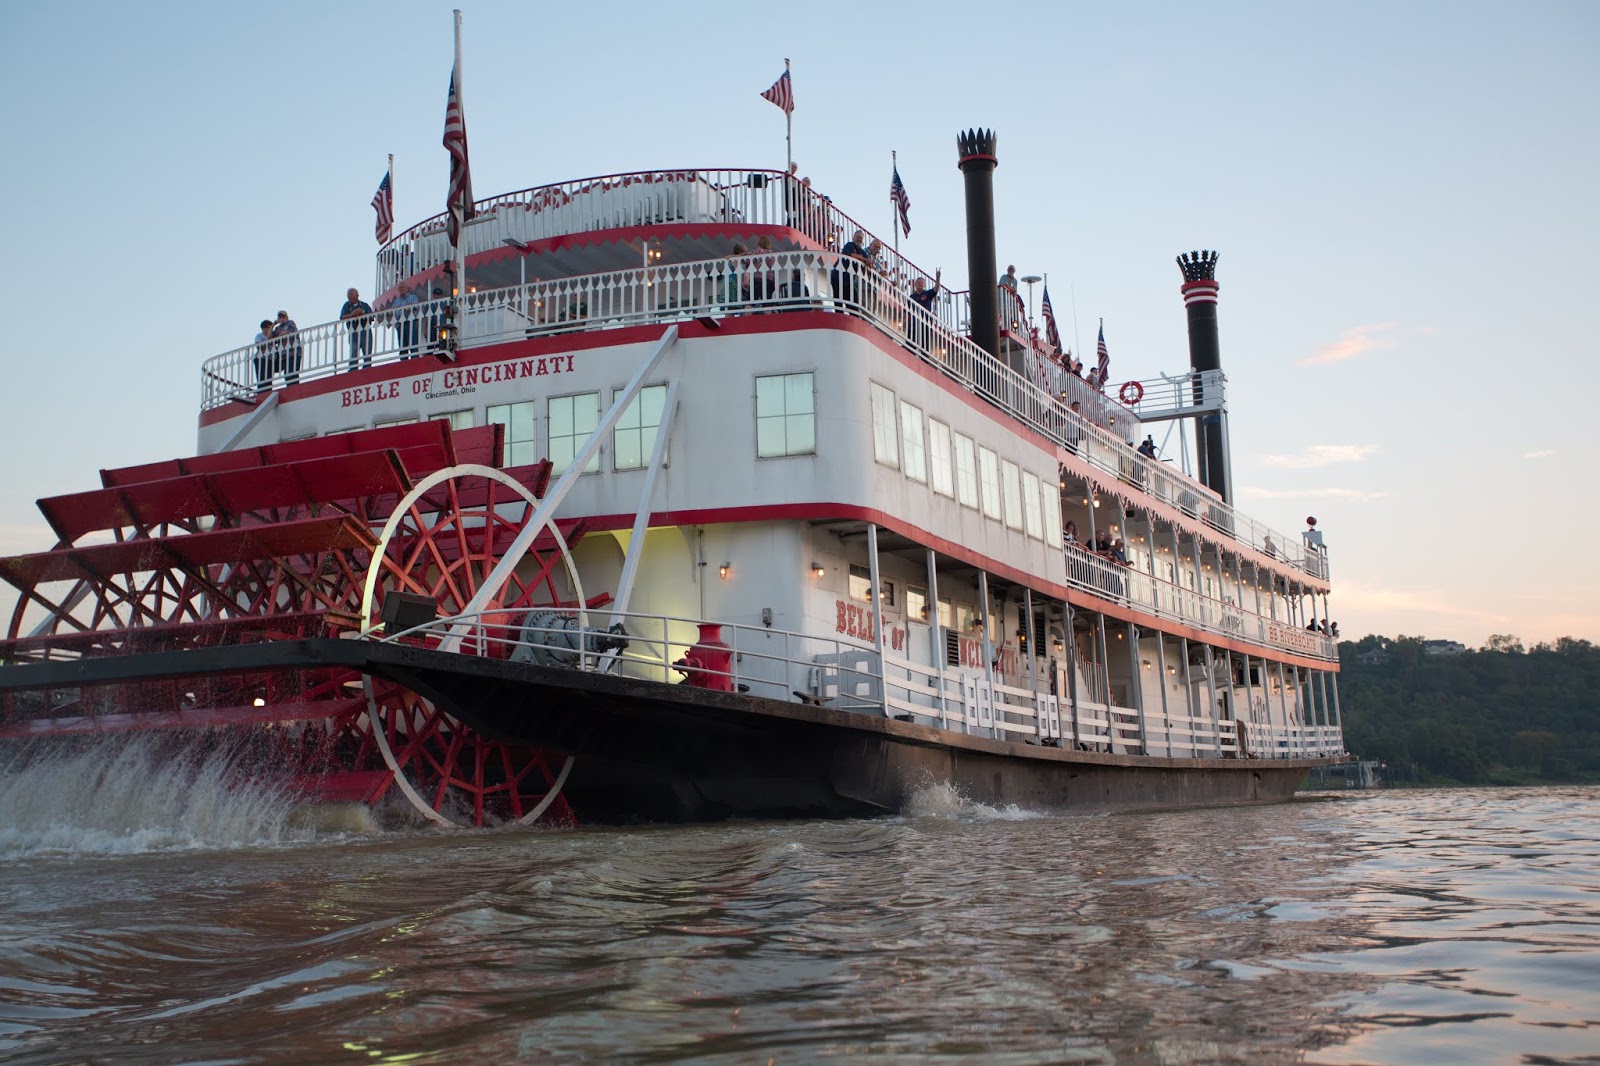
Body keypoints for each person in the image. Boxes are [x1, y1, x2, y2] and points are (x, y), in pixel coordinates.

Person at [341, 288, 374, 370]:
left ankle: (366, 368)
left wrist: (362, 313)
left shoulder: (364, 305)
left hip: (365, 331)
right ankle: (353, 369)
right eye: (348, 294)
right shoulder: (347, 305)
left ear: (357, 295)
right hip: (353, 332)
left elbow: (372, 318)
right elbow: (342, 317)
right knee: (354, 352)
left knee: (367, 351)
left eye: (351, 294)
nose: (349, 296)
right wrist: (352, 314)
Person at [271, 310, 301, 385]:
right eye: (280, 317)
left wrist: (277, 338)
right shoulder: (277, 328)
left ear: (287, 317)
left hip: (294, 352)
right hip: (284, 354)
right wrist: (273, 324)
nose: (282, 319)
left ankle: (295, 388)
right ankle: (290, 387)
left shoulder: (290, 323)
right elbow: (269, 338)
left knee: (293, 372)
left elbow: (284, 333)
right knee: (287, 373)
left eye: (283, 317)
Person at [393, 281, 421, 357]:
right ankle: (403, 363)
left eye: (402, 287)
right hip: (400, 325)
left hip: (411, 323)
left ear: (407, 288)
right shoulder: (396, 301)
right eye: (399, 288)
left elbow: (414, 308)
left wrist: (406, 309)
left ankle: (415, 362)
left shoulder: (413, 297)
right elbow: (394, 313)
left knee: (413, 345)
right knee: (402, 347)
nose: (401, 289)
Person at [252, 318, 275, 391]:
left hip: (270, 358)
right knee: (262, 376)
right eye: (269, 327)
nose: (270, 329)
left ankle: (268, 390)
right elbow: (259, 347)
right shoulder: (259, 336)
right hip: (261, 358)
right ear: (264, 328)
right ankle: (261, 391)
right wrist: (267, 341)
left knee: (269, 376)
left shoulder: (272, 336)